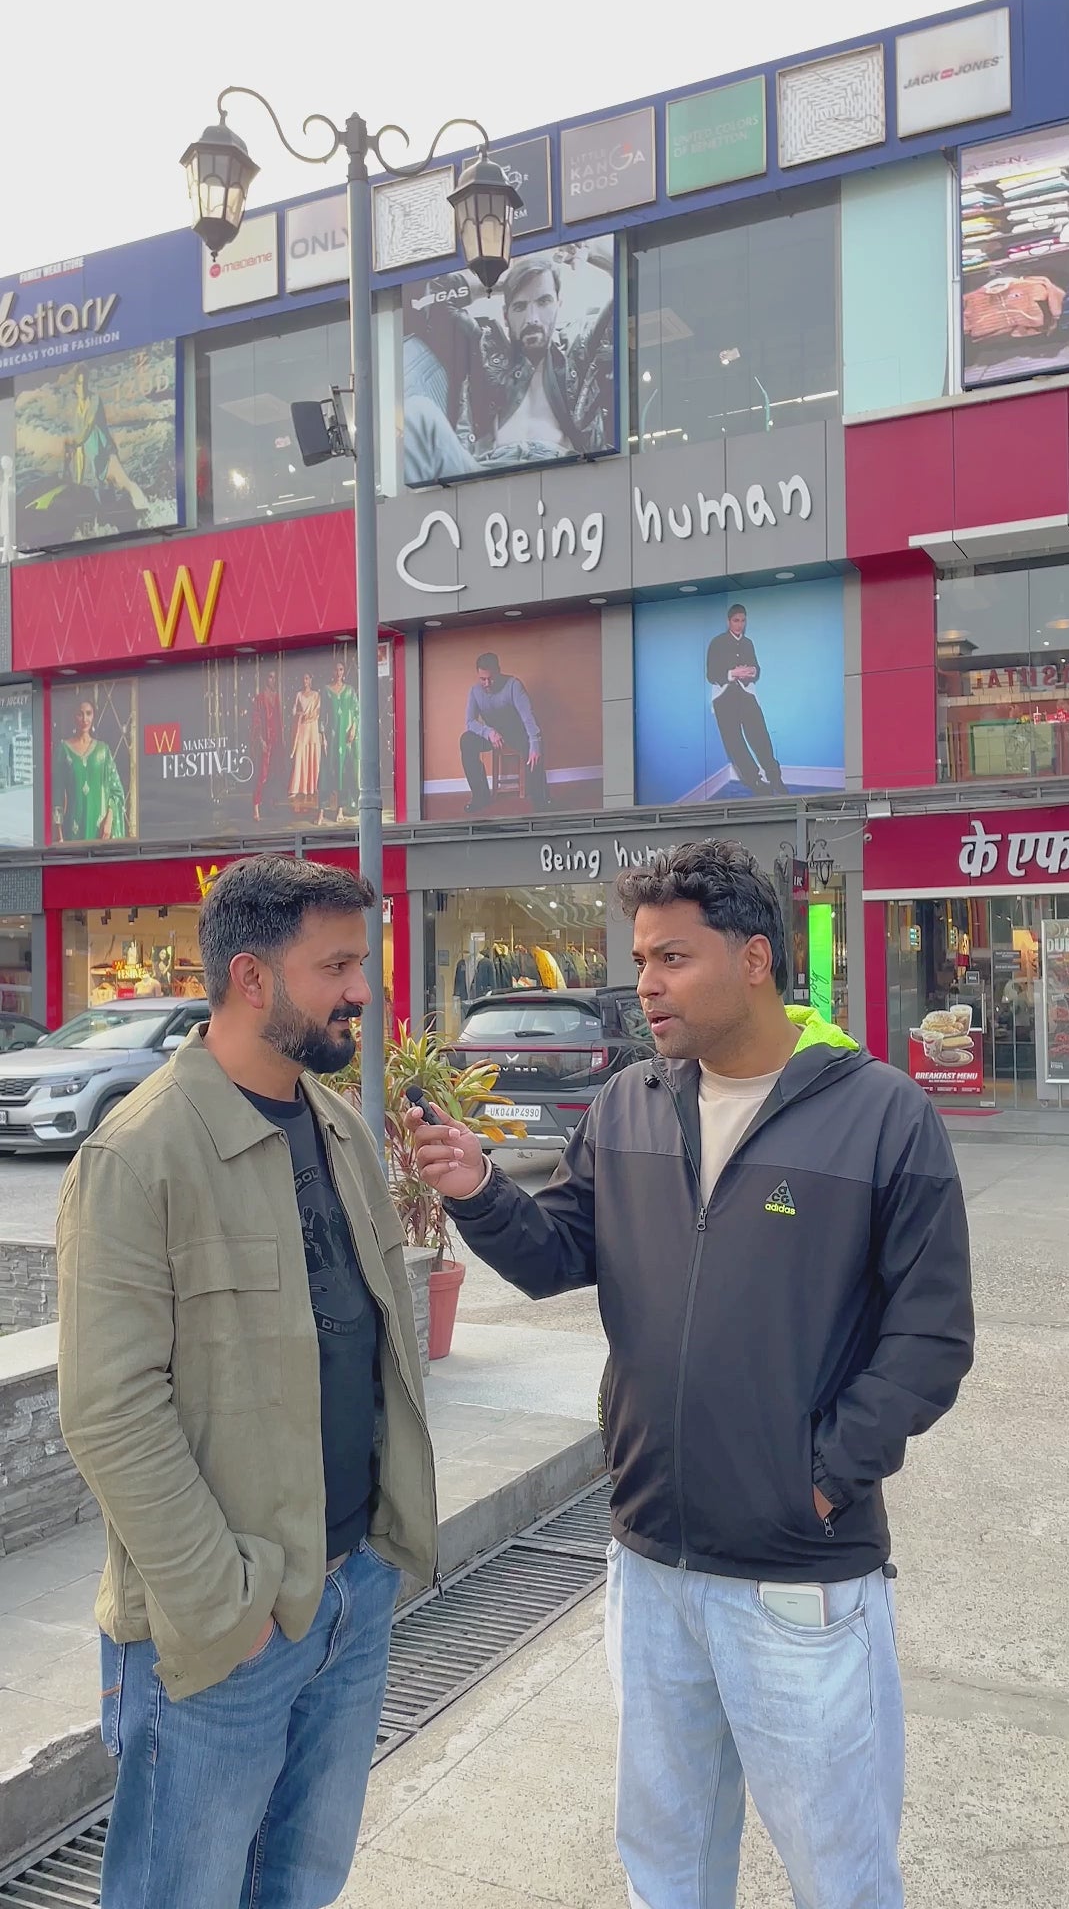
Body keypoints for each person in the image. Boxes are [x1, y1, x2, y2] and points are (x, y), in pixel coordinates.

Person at [409, 838, 974, 1909]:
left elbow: (931, 1337)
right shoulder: (629, 1102)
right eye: (640, 959)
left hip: (797, 1575)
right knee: (664, 1868)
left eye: (673, 957)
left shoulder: (883, 1114)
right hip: (649, 1565)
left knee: (841, 1878)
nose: (647, 985)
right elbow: (557, 1255)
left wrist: (820, 1478)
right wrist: (480, 1188)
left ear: (754, 958)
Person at [56, 855, 437, 1909]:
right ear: (253, 978)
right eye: (338, 967)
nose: (364, 990)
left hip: (353, 1592)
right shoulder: (139, 1157)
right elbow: (109, 1410)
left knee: (301, 1884)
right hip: (225, 1626)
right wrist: (227, 1606)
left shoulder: (339, 1127)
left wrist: (377, 1558)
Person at [404, 244, 614, 483]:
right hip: (485, 473)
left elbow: (628, 285)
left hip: (563, 470)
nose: (532, 318)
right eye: (520, 306)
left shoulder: (579, 349)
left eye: (543, 301)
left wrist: (592, 251)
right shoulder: (483, 346)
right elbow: (429, 297)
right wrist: (501, 283)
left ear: (559, 304)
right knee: (417, 412)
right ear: (506, 315)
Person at [706, 603, 785, 797]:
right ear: (728, 621)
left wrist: (752, 671)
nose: (739, 625)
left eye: (743, 620)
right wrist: (733, 673)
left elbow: (756, 668)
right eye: (736, 620)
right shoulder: (717, 642)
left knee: (761, 736)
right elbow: (711, 674)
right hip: (724, 697)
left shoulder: (748, 643)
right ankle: (755, 781)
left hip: (746, 694)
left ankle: (774, 777)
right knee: (735, 743)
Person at [459, 651, 549, 815]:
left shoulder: (514, 685)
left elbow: (527, 716)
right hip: (494, 735)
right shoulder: (474, 691)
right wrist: (488, 732)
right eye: (483, 679)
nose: (487, 683)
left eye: (491, 678)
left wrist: (535, 744)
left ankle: (541, 801)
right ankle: (481, 797)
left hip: (516, 732)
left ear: (498, 671)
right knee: (466, 741)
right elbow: (470, 722)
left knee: (533, 745)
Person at [66, 367, 150, 512]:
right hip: (97, 463)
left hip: (108, 455)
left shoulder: (95, 400)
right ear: (75, 386)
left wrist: (75, 443)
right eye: (79, 383)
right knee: (107, 503)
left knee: (126, 484)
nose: (83, 387)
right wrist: (78, 483)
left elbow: (89, 425)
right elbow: (80, 453)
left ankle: (147, 511)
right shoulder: (76, 416)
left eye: (85, 383)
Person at [53, 698, 127, 842]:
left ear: (94, 716)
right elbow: (57, 793)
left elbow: (116, 791)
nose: (85, 719)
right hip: (73, 827)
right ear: (74, 717)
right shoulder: (63, 749)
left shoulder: (103, 751)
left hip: (100, 829)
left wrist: (109, 821)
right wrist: (58, 833)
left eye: (89, 713)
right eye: (80, 714)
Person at [321, 659, 359, 825]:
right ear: (332, 671)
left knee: (344, 772)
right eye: (336, 670)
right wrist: (323, 737)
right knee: (328, 771)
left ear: (344, 672)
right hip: (331, 737)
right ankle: (322, 809)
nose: (338, 673)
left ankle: (341, 809)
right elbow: (322, 715)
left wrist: (353, 728)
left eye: (341, 669)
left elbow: (356, 711)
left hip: (345, 738)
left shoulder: (350, 690)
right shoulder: (326, 690)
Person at [250, 666, 285, 823]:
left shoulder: (276, 697)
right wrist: (260, 740)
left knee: (273, 773)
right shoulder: (260, 698)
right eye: (271, 677)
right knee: (262, 775)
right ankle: (256, 806)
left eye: (274, 677)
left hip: (276, 740)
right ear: (266, 679)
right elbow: (256, 721)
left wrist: (282, 739)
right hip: (265, 740)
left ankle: (270, 803)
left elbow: (279, 719)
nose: (273, 680)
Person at [289, 671, 323, 812]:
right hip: (302, 728)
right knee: (300, 755)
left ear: (311, 680)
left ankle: (312, 786)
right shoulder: (298, 695)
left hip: (312, 728)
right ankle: (298, 787)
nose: (305, 681)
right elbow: (293, 712)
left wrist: (309, 716)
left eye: (307, 678)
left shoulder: (316, 695)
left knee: (313, 755)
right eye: (303, 679)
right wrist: (300, 715)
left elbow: (318, 712)